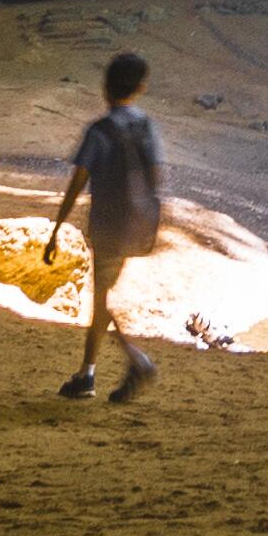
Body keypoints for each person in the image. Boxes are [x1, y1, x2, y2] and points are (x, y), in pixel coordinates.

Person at [48, 54, 170, 400]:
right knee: (102, 295)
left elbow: (77, 182)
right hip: (138, 223)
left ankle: (136, 359)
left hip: (107, 225)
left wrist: (57, 228)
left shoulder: (99, 131)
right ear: (141, 87)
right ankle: (86, 374)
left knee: (101, 297)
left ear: (105, 87)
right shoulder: (147, 126)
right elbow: (157, 176)